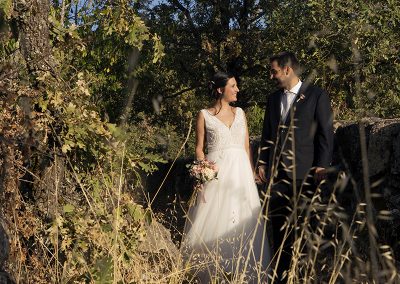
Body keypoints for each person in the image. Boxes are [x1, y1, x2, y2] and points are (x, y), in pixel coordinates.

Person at [181, 71, 270, 283]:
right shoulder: (204, 115)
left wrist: (249, 173)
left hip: (240, 175)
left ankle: (245, 274)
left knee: (243, 220)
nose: (237, 89)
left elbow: (247, 146)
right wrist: (202, 173)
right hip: (217, 175)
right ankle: (213, 273)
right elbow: (199, 148)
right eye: (233, 86)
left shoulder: (240, 113)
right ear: (221, 89)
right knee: (214, 220)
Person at [257, 51, 334, 283]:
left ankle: (302, 277)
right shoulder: (272, 99)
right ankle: (281, 278)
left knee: (304, 230)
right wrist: (263, 161)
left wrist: (322, 165)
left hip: (305, 174)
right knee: (280, 230)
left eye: (274, 71)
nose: (272, 76)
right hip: (277, 176)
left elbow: (325, 134)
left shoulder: (316, 95)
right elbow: (267, 133)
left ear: (287, 69)